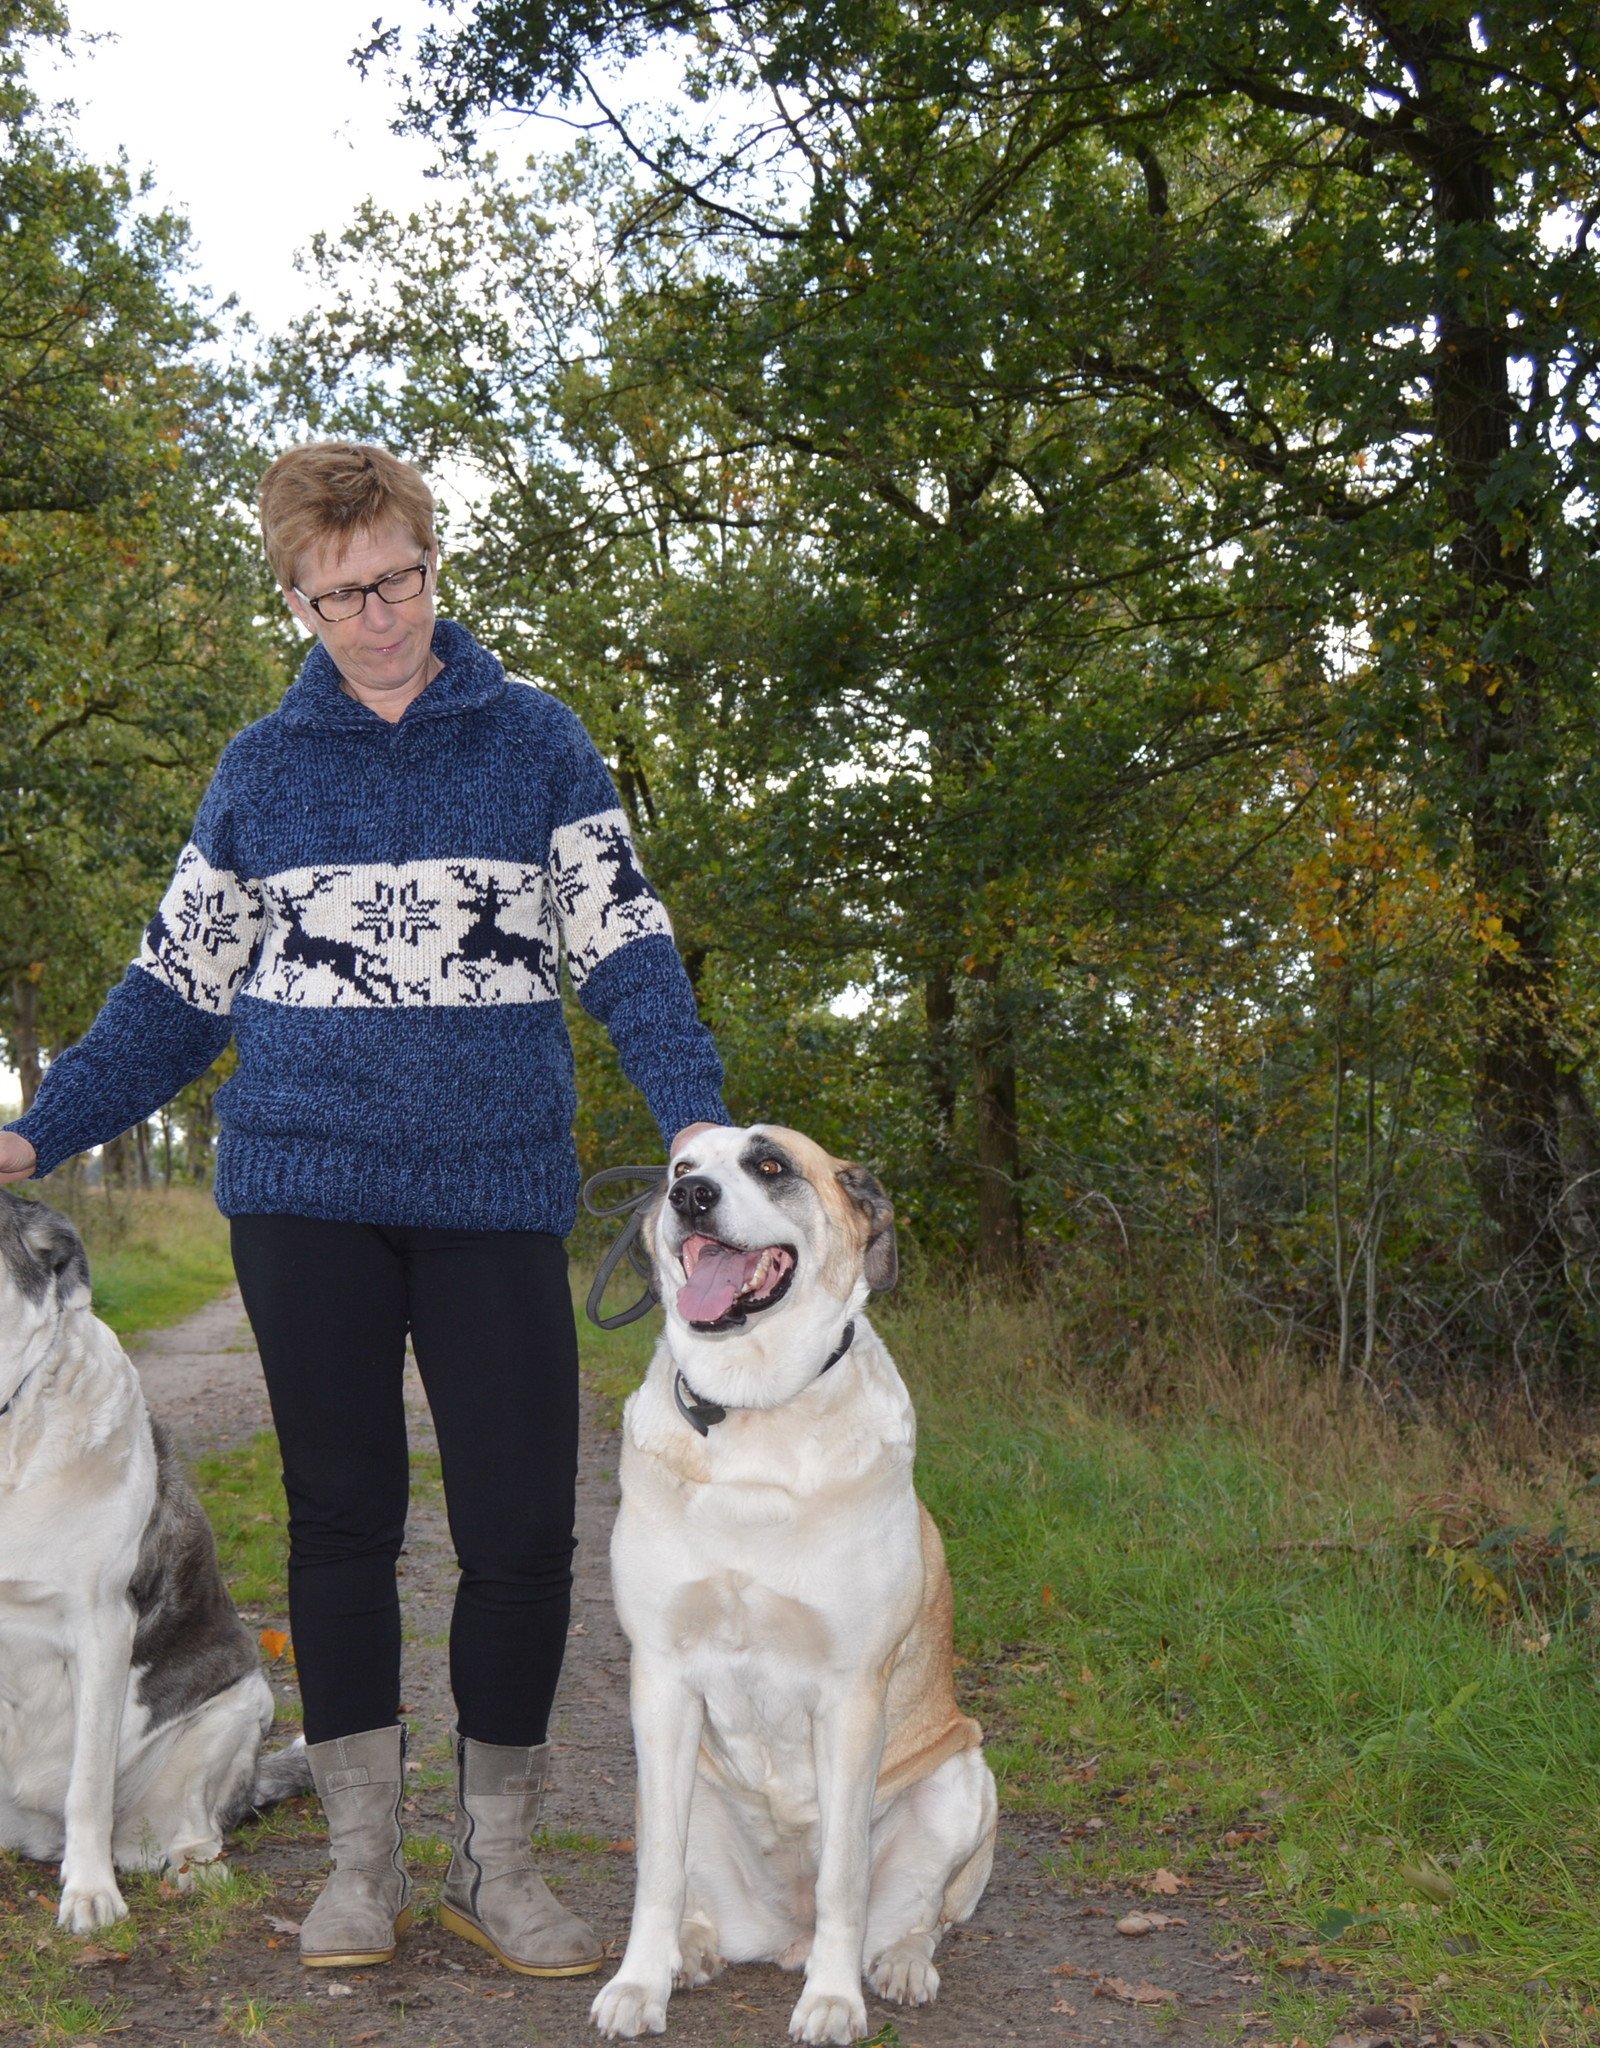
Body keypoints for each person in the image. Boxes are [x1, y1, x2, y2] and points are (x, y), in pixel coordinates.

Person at [0, 441, 728, 1977]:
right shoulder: (264, 771)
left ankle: (501, 1863)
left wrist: (698, 1130)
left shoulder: (538, 745)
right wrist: (33, 1132)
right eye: (338, 596)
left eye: (395, 580)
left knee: (522, 1529)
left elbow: (629, 956)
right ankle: (356, 1867)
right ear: (296, 596)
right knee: (341, 1524)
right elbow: (173, 999)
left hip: (495, 1194)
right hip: (305, 1194)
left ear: (433, 562)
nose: (376, 617)